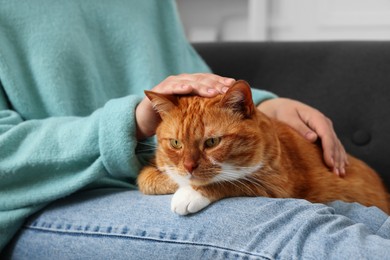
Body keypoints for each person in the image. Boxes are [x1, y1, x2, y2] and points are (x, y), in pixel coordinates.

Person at [0, 0, 388, 258]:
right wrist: (131, 122)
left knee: (365, 221)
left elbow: (186, 77)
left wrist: (266, 106)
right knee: (299, 233)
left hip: (165, 159)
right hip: (40, 201)